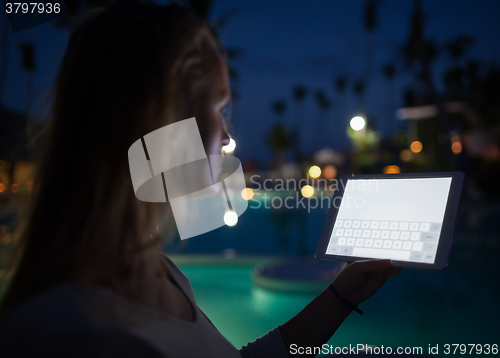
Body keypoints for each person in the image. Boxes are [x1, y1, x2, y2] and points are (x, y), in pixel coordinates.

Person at [0, 0, 402, 357]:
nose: (226, 137)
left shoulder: (157, 269)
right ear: (162, 117)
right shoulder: (66, 333)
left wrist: (339, 297)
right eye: (220, 108)